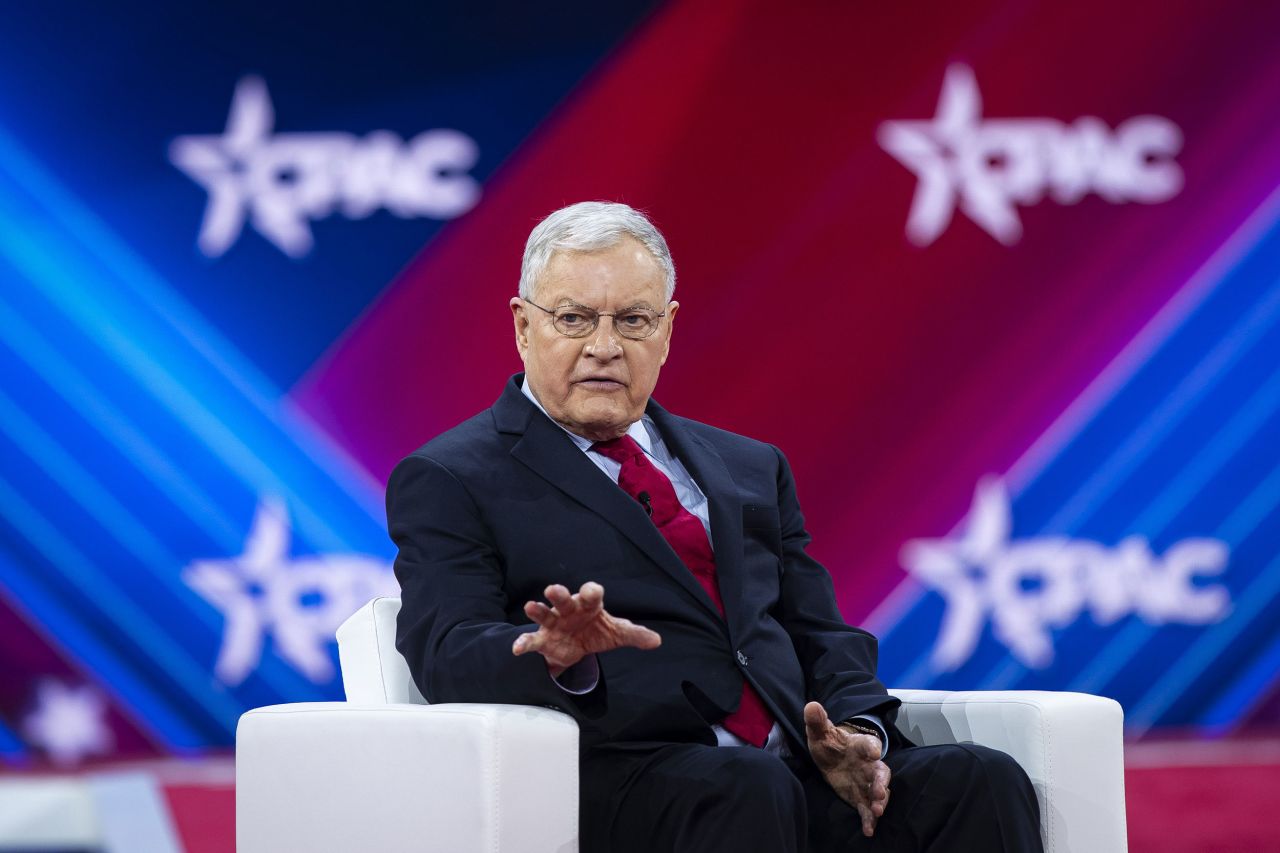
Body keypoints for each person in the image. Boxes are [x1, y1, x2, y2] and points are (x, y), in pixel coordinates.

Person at [388, 201, 1042, 852]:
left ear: (667, 331)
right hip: (630, 781)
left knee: (978, 779)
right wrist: (555, 654)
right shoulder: (452, 476)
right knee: (747, 786)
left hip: (792, 772)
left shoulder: (749, 465)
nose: (605, 346)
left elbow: (817, 629)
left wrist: (857, 727)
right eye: (573, 318)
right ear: (523, 326)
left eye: (634, 320)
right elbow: (446, 645)